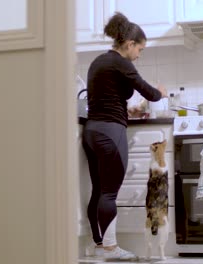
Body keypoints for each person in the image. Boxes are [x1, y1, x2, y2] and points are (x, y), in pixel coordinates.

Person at [81, 12, 168, 260]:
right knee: (109, 192)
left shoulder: (99, 62)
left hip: (92, 131)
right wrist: (160, 92)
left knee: (99, 189)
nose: (139, 55)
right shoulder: (121, 62)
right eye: (139, 49)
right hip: (110, 132)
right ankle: (110, 248)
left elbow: (106, 98)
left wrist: (128, 108)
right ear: (129, 44)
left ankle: (100, 244)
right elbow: (149, 92)